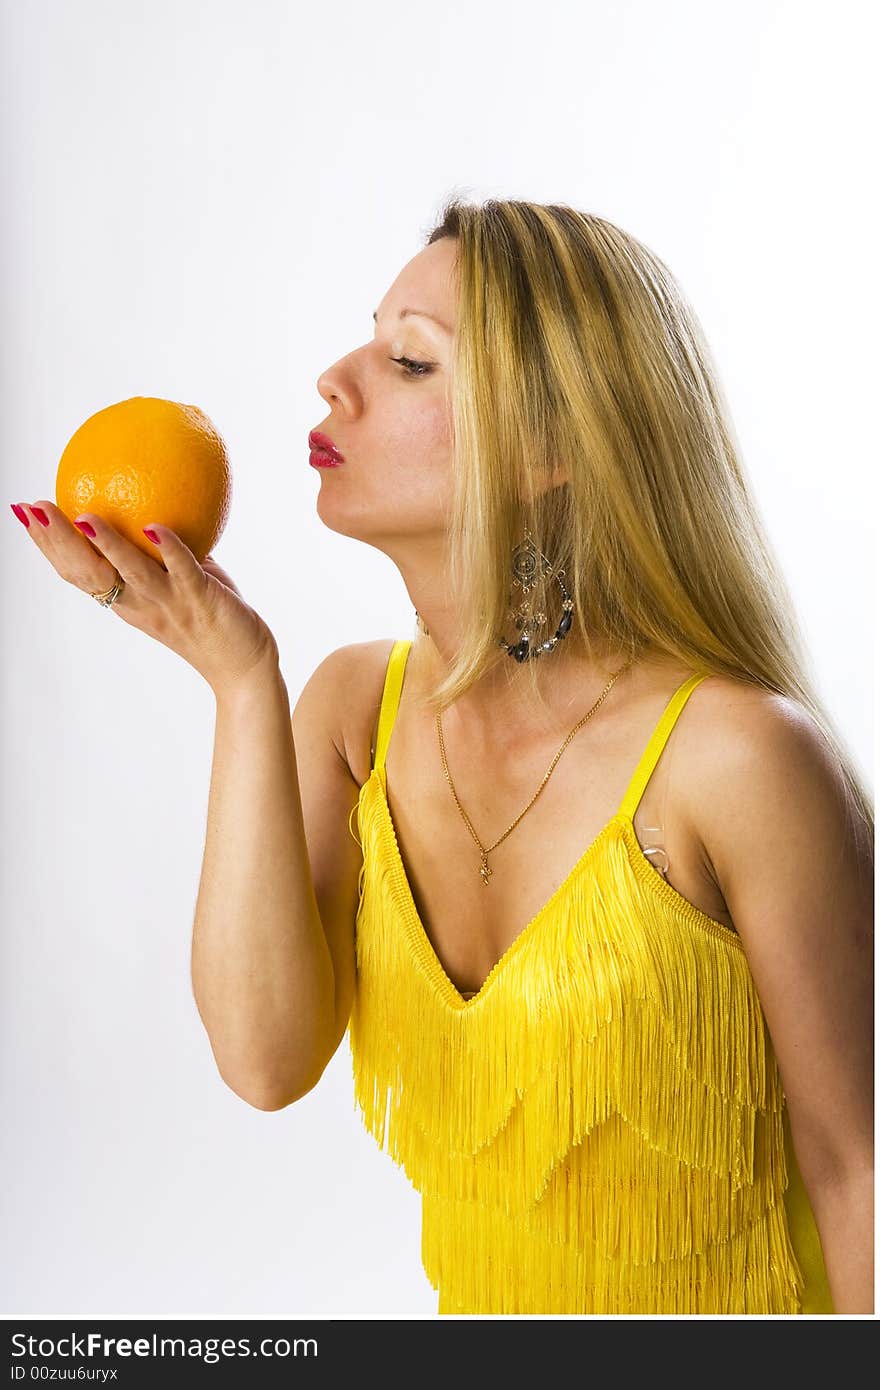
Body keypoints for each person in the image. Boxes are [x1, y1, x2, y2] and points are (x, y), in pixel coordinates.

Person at [14, 197, 873, 1316]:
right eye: (369, 336)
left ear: (551, 450)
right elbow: (263, 1061)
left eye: (409, 361)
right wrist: (238, 683)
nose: (335, 376)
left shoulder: (735, 758)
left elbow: (858, 1172)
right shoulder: (348, 714)